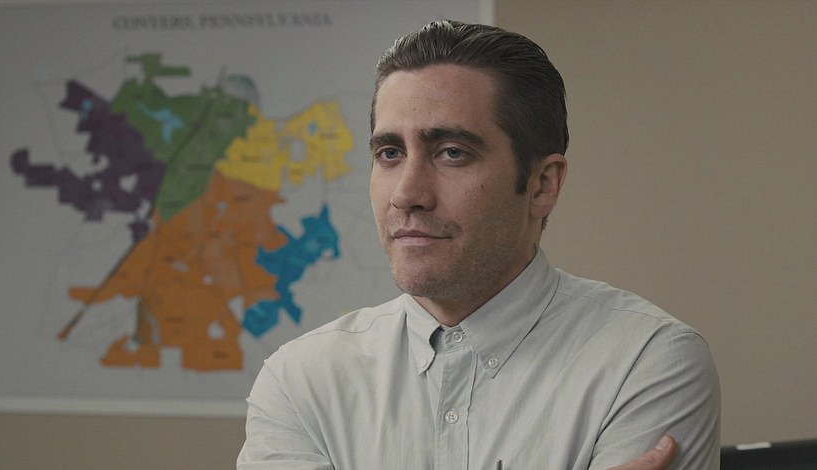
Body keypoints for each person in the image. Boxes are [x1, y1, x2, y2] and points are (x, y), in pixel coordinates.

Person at [237, 20, 720, 469]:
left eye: (452, 153)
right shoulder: (301, 381)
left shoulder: (647, 362)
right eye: (390, 153)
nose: (406, 194)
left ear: (542, 184)